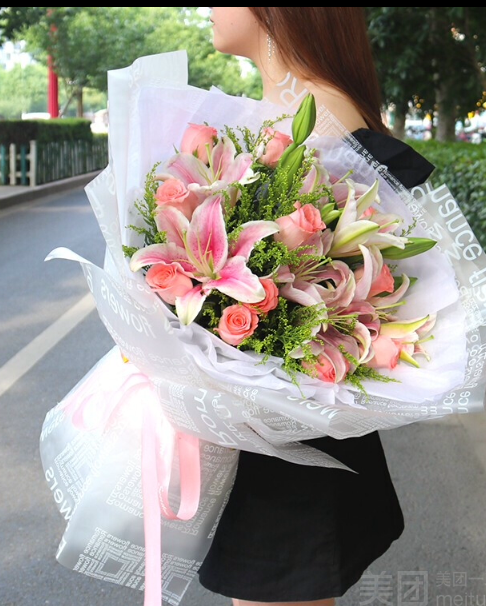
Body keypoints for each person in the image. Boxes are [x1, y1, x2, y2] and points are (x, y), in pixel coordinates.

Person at [197, 8, 435, 606]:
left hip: (292, 445)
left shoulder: (317, 116)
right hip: (284, 429)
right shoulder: (290, 108)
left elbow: (344, 289)